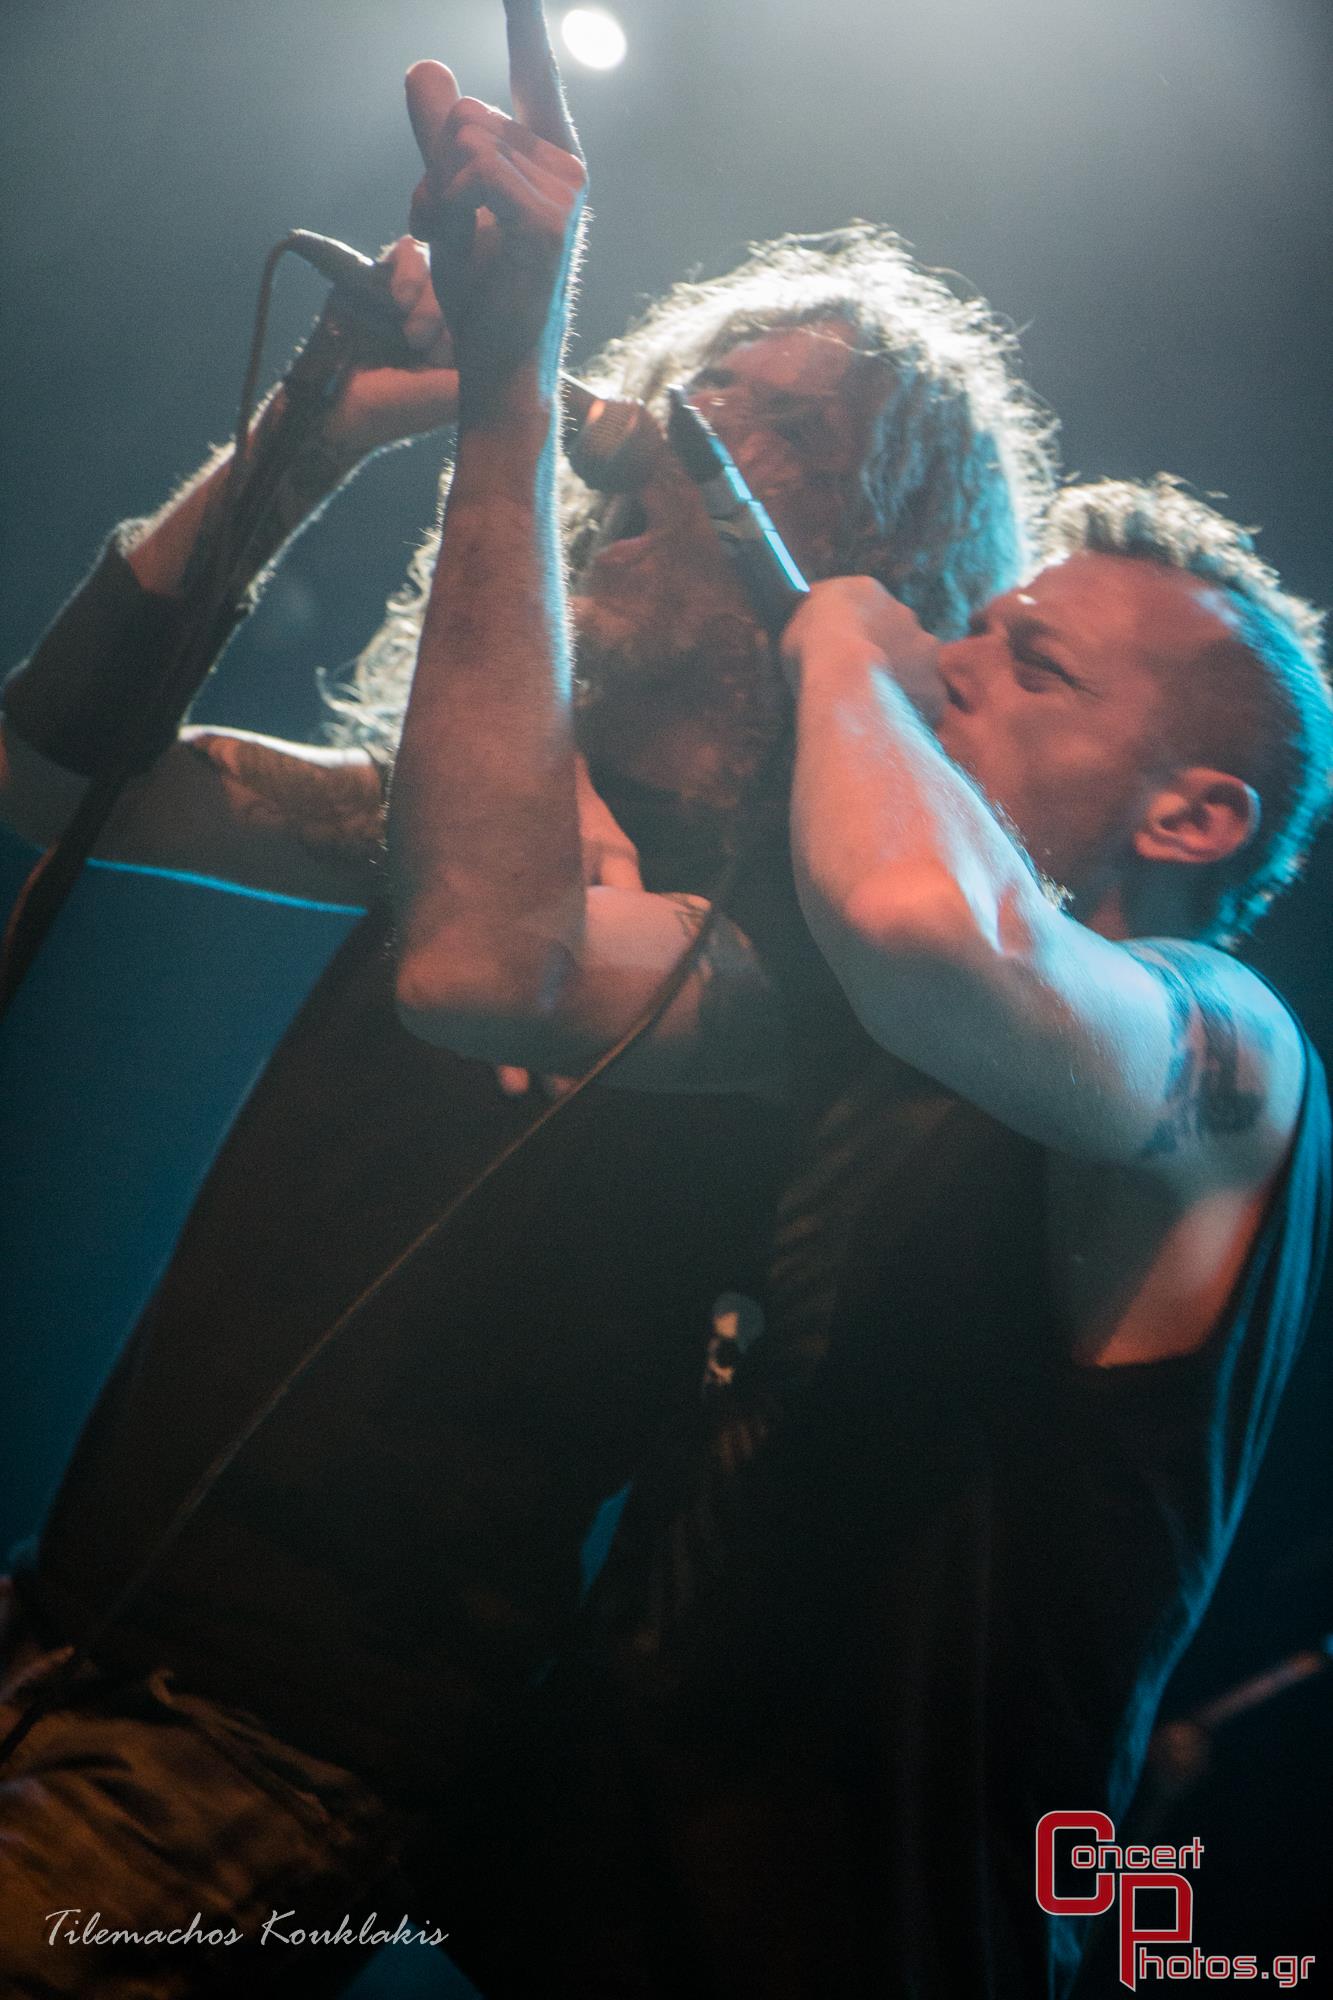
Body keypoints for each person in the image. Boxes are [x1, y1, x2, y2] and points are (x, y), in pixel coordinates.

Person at [0, 12, 1054, 1993]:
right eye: (684, 380)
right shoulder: (460, 811)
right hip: (54, 1614)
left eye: (754, 421)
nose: (665, 419)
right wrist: (310, 442)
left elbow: (502, 963)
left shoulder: (823, 945)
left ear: (863, 547)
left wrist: (509, 384)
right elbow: (57, 779)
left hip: (269, 1750)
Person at [371, 55, 1333, 2000]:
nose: (949, 655)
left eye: (1027, 661)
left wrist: (839, 643)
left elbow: (922, 925)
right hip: (546, 1914)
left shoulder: (1220, 1056)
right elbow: (485, 962)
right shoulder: (880, 998)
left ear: (1189, 818)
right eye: (968, 628)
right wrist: (506, 397)